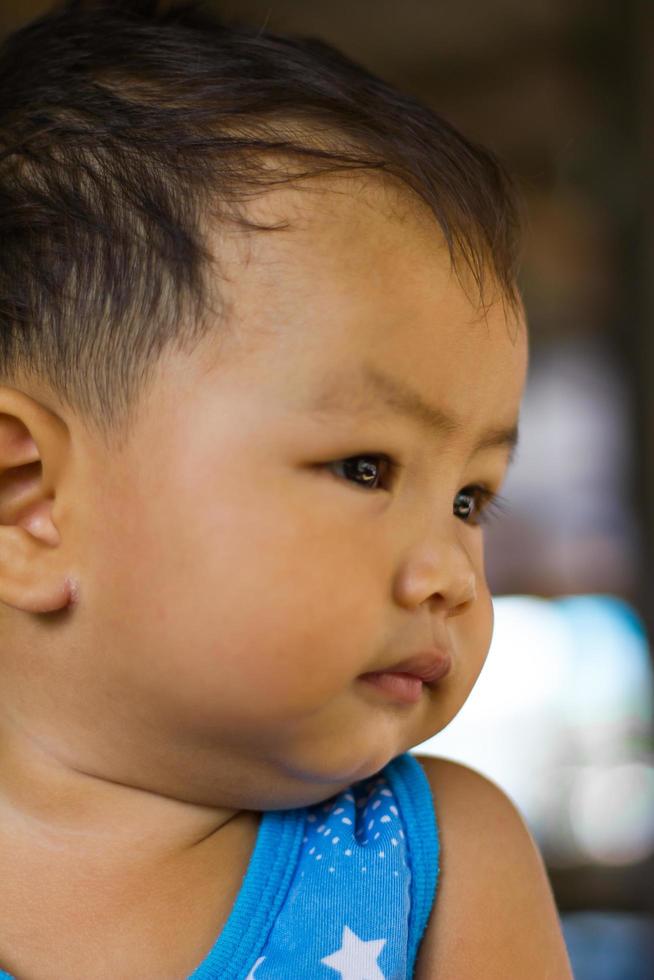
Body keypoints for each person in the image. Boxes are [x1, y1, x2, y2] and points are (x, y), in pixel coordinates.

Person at [0, 2, 573, 977]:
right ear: (32, 501)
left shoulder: (436, 864)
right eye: (366, 467)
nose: (451, 575)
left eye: (471, 498)